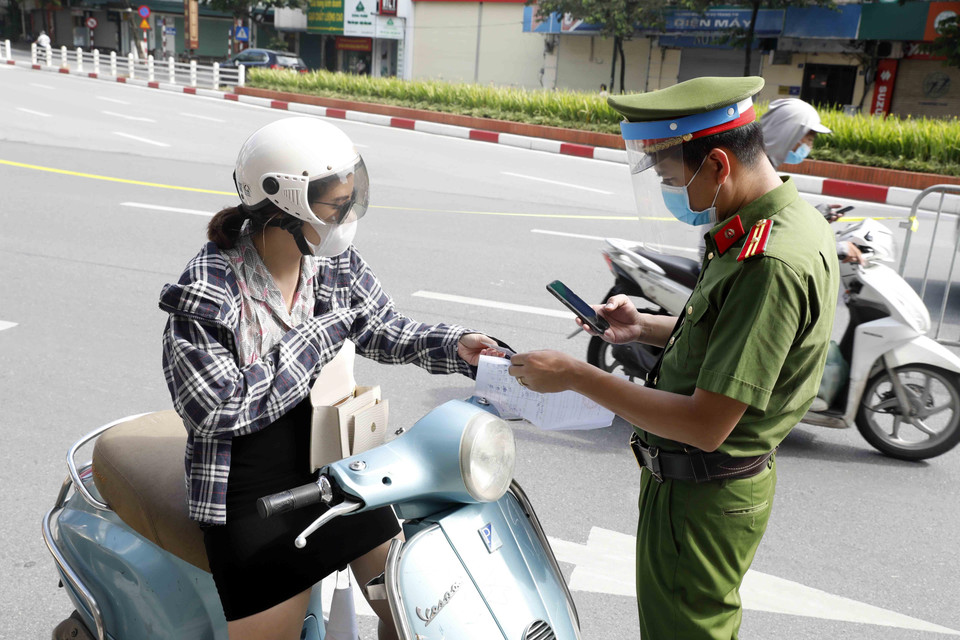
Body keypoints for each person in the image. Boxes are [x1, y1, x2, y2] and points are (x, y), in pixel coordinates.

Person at [506, 77, 839, 639]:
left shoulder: (768, 262)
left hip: (703, 494)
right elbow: (729, 336)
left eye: (672, 179)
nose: (672, 192)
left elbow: (705, 425)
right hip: (695, 489)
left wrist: (576, 375)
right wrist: (645, 326)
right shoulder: (775, 223)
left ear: (716, 163)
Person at [159, 117, 505, 640]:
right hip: (251, 487)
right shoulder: (207, 287)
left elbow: (383, 326)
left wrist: (455, 346)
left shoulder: (334, 263)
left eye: (351, 198)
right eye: (335, 204)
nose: (347, 214)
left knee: (415, 609)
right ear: (285, 202)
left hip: (336, 466)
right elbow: (218, 409)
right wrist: (318, 336)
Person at [759, 98, 864, 264]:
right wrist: (838, 248)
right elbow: (776, 237)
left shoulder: (762, 167)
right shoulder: (758, 176)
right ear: (789, 134)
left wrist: (816, 215)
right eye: (809, 139)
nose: (810, 146)